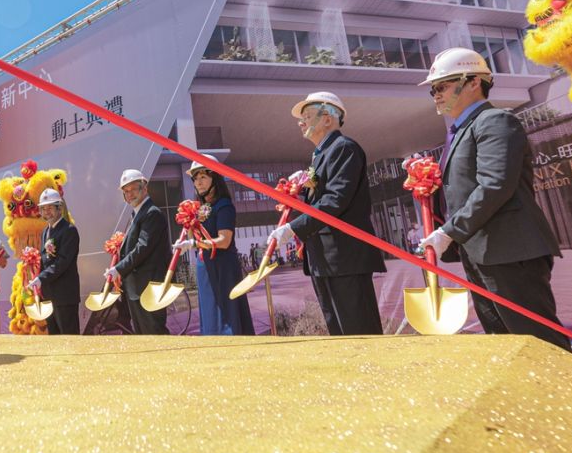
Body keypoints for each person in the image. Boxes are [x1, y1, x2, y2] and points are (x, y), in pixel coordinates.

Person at [416, 49, 571, 350]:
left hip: (509, 251)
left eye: (442, 86)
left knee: (539, 342)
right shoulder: (463, 129)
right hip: (481, 253)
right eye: (433, 89)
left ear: (474, 82)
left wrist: (449, 231)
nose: (436, 95)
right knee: (505, 343)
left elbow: (495, 185)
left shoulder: (495, 121)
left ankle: (570, 383)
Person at [269, 92, 385, 336]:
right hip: (326, 258)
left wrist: (294, 228)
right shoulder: (322, 154)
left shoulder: (344, 148)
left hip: (345, 257)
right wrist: (301, 191)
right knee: (339, 332)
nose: (301, 122)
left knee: (359, 331)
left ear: (328, 119)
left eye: (307, 116)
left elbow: (335, 200)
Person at [177, 157, 255, 335]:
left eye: (203, 177)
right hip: (205, 267)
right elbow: (194, 237)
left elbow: (224, 240)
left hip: (223, 267)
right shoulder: (200, 208)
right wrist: (189, 223)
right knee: (209, 314)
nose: (198, 182)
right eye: (195, 178)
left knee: (227, 315)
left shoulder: (224, 206)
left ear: (216, 179)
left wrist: (194, 244)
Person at [108, 169, 171, 335]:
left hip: (148, 286)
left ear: (145, 188)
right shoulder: (137, 213)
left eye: (133, 189)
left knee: (154, 332)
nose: (129, 194)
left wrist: (118, 269)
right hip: (136, 287)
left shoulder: (152, 213)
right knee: (143, 334)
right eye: (126, 191)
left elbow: (142, 247)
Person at [30, 189, 80, 335]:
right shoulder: (45, 231)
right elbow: (45, 260)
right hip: (49, 295)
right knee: (54, 339)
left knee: (69, 338)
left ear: (60, 208)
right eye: (43, 208)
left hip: (65, 296)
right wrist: (35, 277)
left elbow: (63, 262)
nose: (47, 212)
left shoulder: (69, 230)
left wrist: (41, 278)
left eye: (50, 208)